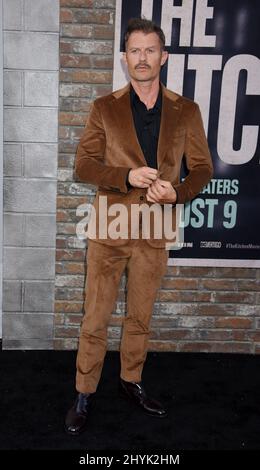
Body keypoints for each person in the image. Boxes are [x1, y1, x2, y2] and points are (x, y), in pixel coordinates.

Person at [65, 17, 213, 435]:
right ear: (125, 57)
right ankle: (84, 392)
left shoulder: (187, 110)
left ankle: (131, 381)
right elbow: (83, 166)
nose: (143, 58)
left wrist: (178, 194)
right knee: (95, 316)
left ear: (163, 56)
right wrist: (125, 176)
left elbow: (202, 169)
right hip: (109, 228)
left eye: (151, 50)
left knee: (140, 317)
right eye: (135, 50)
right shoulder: (104, 107)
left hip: (155, 227)